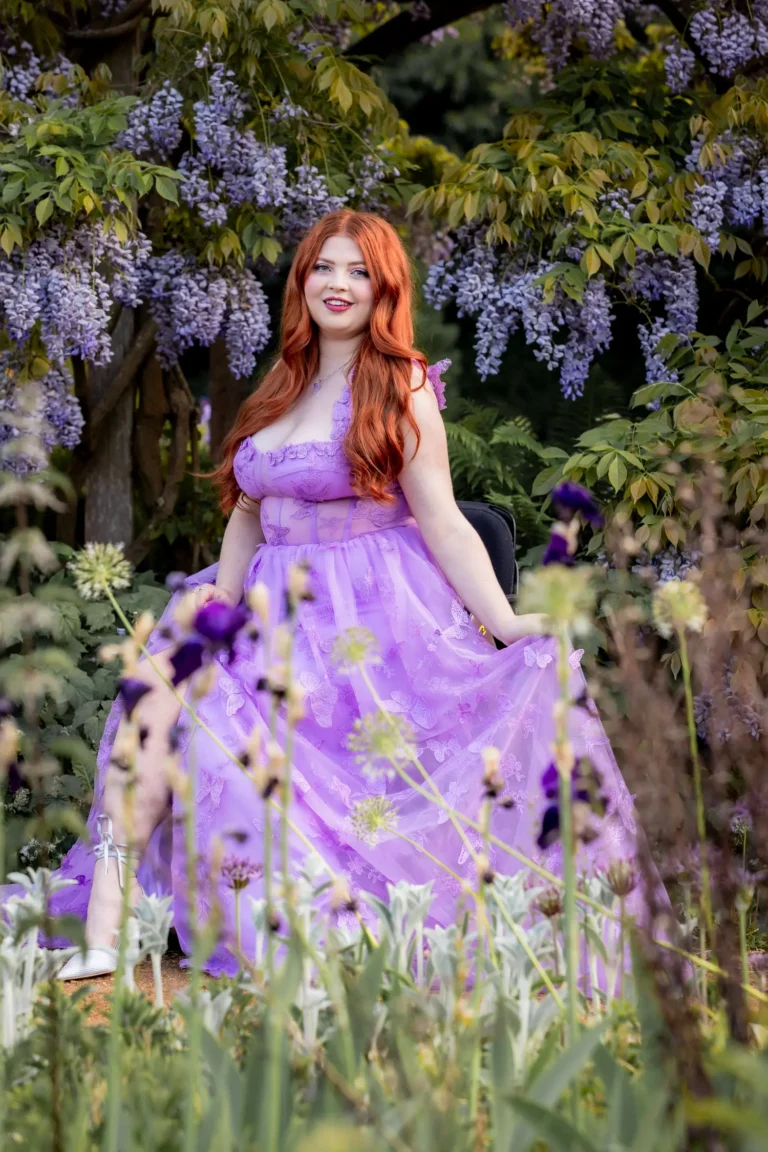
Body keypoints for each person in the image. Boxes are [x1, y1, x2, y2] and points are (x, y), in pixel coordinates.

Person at [9, 210, 637, 979]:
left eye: (359, 271)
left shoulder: (399, 383)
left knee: (253, 748)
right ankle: (104, 932)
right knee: (150, 716)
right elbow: (248, 509)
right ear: (302, 281)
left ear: (384, 288)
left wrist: (504, 618)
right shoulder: (282, 384)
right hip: (258, 610)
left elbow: (440, 518)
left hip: (365, 622)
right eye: (323, 268)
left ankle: (334, 926)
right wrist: (223, 596)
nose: (338, 284)